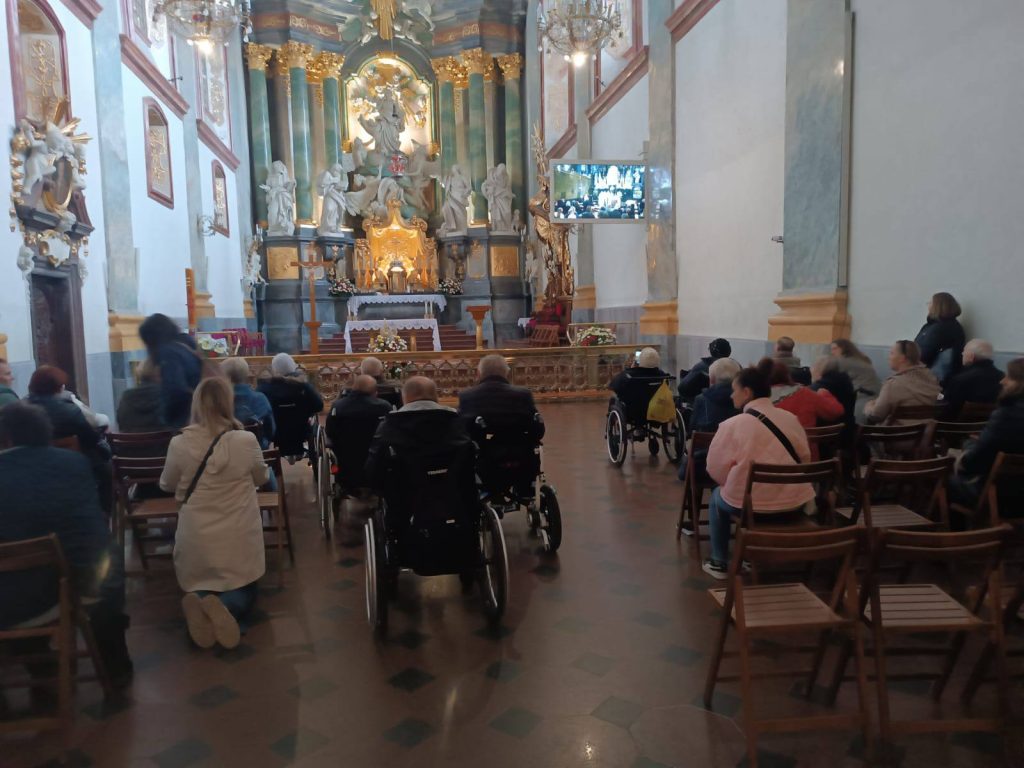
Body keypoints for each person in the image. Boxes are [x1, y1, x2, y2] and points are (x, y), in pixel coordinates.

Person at [0, 403, 132, 686]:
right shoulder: (72, 464)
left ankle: (39, 667)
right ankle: (116, 665)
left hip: (8, 600)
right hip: (67, 590)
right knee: (108, 561)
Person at [159, 378, 269, 649]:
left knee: (201, 580)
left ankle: (200, 604)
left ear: (196, 404)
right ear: (228, 403)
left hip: (196, 532)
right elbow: (262, 478)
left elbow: (167, 484)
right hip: (238, 529)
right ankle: (226, 608)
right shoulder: (246, 439)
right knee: (245, 584)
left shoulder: (179, 443)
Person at [702, 365, 814, 579]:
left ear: (747, 392)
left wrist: (731, 482)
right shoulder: (790, 418)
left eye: (734, 390)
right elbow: (805, 458)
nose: (731, 395)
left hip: (749, 507)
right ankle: (750, 553)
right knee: (736, 492)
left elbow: (715, 469)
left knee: (717, 496)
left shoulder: (732, 425)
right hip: (795, 501)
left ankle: (719, 562)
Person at [27, 365, 113, 511]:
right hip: (70, 467)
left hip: (32, 470)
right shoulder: (70, 411)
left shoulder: (21, 410)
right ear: (58, 388)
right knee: (107, 471)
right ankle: (104, 513)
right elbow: (90, 439)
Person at [951, 358, 1024, 512]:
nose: (1002, 381)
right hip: (1017, 495)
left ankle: (951, 528)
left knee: (943, 481)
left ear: (1019, 383)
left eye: (1009, 377)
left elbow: (972, 463)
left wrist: (967, 449)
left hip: (998, 496)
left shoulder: (1006, 415)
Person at [138, 313, 203, 429]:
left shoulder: (168, 353)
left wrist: (166, 419)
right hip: (201, 411)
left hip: (185, 419)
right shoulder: (185, 345)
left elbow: (175, 389)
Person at [458, 354, 544, 436]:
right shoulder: (523, 395)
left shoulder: (467, 396)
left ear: (479, 373)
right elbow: (537, 430)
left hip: (480, 446)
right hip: (517, 445)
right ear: (506, 372)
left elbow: (462, 430)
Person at [258, 353, 324, 457]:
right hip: (301, 431)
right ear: (292, 366)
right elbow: (319, 406)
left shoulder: (265, 388)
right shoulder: (303, 386)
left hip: (275, 433)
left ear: (274, 369)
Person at [863, 340, 941, 424]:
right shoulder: (932, 379)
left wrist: (868, 406)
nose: (888, 357)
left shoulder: (893, 384)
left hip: (896, 431)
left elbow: (876, 416)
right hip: (925, 431)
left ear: (902, 358)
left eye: (892, 353)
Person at [763, 358, 844, 429]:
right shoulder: (805, 393)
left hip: (769, 441)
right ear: (787, 375)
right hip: (805, 441)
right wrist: (824, 393)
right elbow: (836, 411)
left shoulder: (760, 400)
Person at [221, 357, 275, 448]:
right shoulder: (260, 399)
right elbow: (271, 431)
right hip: (257, 450)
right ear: (246, 375)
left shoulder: (218, 401)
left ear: (225, 377)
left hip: (225, 452)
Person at [942, 339, 1004, 417]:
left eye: (963, 352)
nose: (962, 354)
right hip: (993, 422)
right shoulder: (1004, 377)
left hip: (960, 424)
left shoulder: (959, 380)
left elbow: (948, 410)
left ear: (971, 356)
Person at [914, 291, 966, 383]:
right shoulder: (933, 325)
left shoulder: (941, 328)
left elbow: (926, 352)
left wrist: (911, 360)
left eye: (930, 303)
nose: (928, 306)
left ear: (937, 306)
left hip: (934, 377)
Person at [829, 339, 882, 422]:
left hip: (862, 397)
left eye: (835, 348)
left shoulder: (844, 362)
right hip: (875, 396)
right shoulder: (861, 359)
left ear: (844, 348)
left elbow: (825, 370)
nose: (832, 352)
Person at [691, 358, 741, 434]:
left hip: (708, 441)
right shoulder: (744, 398)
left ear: (711, 379)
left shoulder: (701, 399)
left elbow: (693, 427)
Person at [115, 359, 166, 433]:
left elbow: (121, 424)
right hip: (165, 440)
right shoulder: (168, 397)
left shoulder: (126, 397)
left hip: (131, 440)